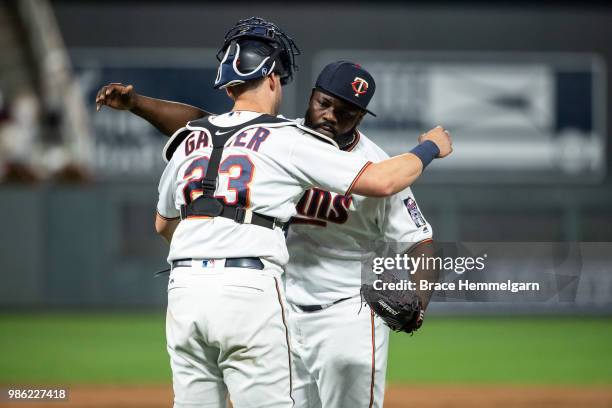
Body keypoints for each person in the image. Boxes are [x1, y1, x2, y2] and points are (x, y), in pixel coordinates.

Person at [97, 18, 451, 408]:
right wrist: (431, 146)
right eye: (325, 103)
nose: (332, 115)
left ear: (362, 116)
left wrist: (419, 301)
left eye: (347, 110)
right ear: (305, 93)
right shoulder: (288, 139)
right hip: (273, 303)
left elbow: (415, 233)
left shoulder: (355, 156)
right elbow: (215, 125)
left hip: (341, 311)